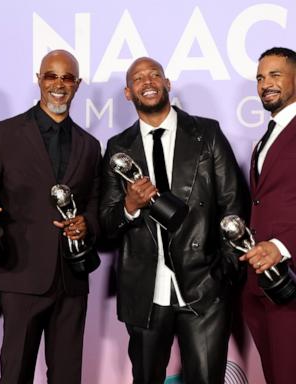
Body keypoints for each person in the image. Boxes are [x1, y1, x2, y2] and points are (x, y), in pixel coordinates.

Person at [100, 57, 247, 384]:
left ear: (167, 84)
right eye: (138, 78)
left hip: (204, 286)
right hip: (145, 291)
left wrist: (224, 272)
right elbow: (106, 224)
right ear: (128, 92)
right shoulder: (117, 148)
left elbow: (233, 203)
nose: (148, 81)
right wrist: (130, 205)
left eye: (155, 75)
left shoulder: (206, 133)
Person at [0, 50, 101, 384]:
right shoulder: (3, 133)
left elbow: (96, 203)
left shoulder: (90, 144)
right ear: (39, 79)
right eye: (51, 76)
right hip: (19, 275)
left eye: (67, 77)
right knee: (15, 374)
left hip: (71, 281)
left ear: (77, 84)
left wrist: (87, 222)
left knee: (68, 376)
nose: (59, 84)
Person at [239, 47, 296, 384]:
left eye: (275, 74)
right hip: (261, 284)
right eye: (260, 77)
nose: (265, 84)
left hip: (291, 279)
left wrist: (283, 245)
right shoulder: (265, 139)